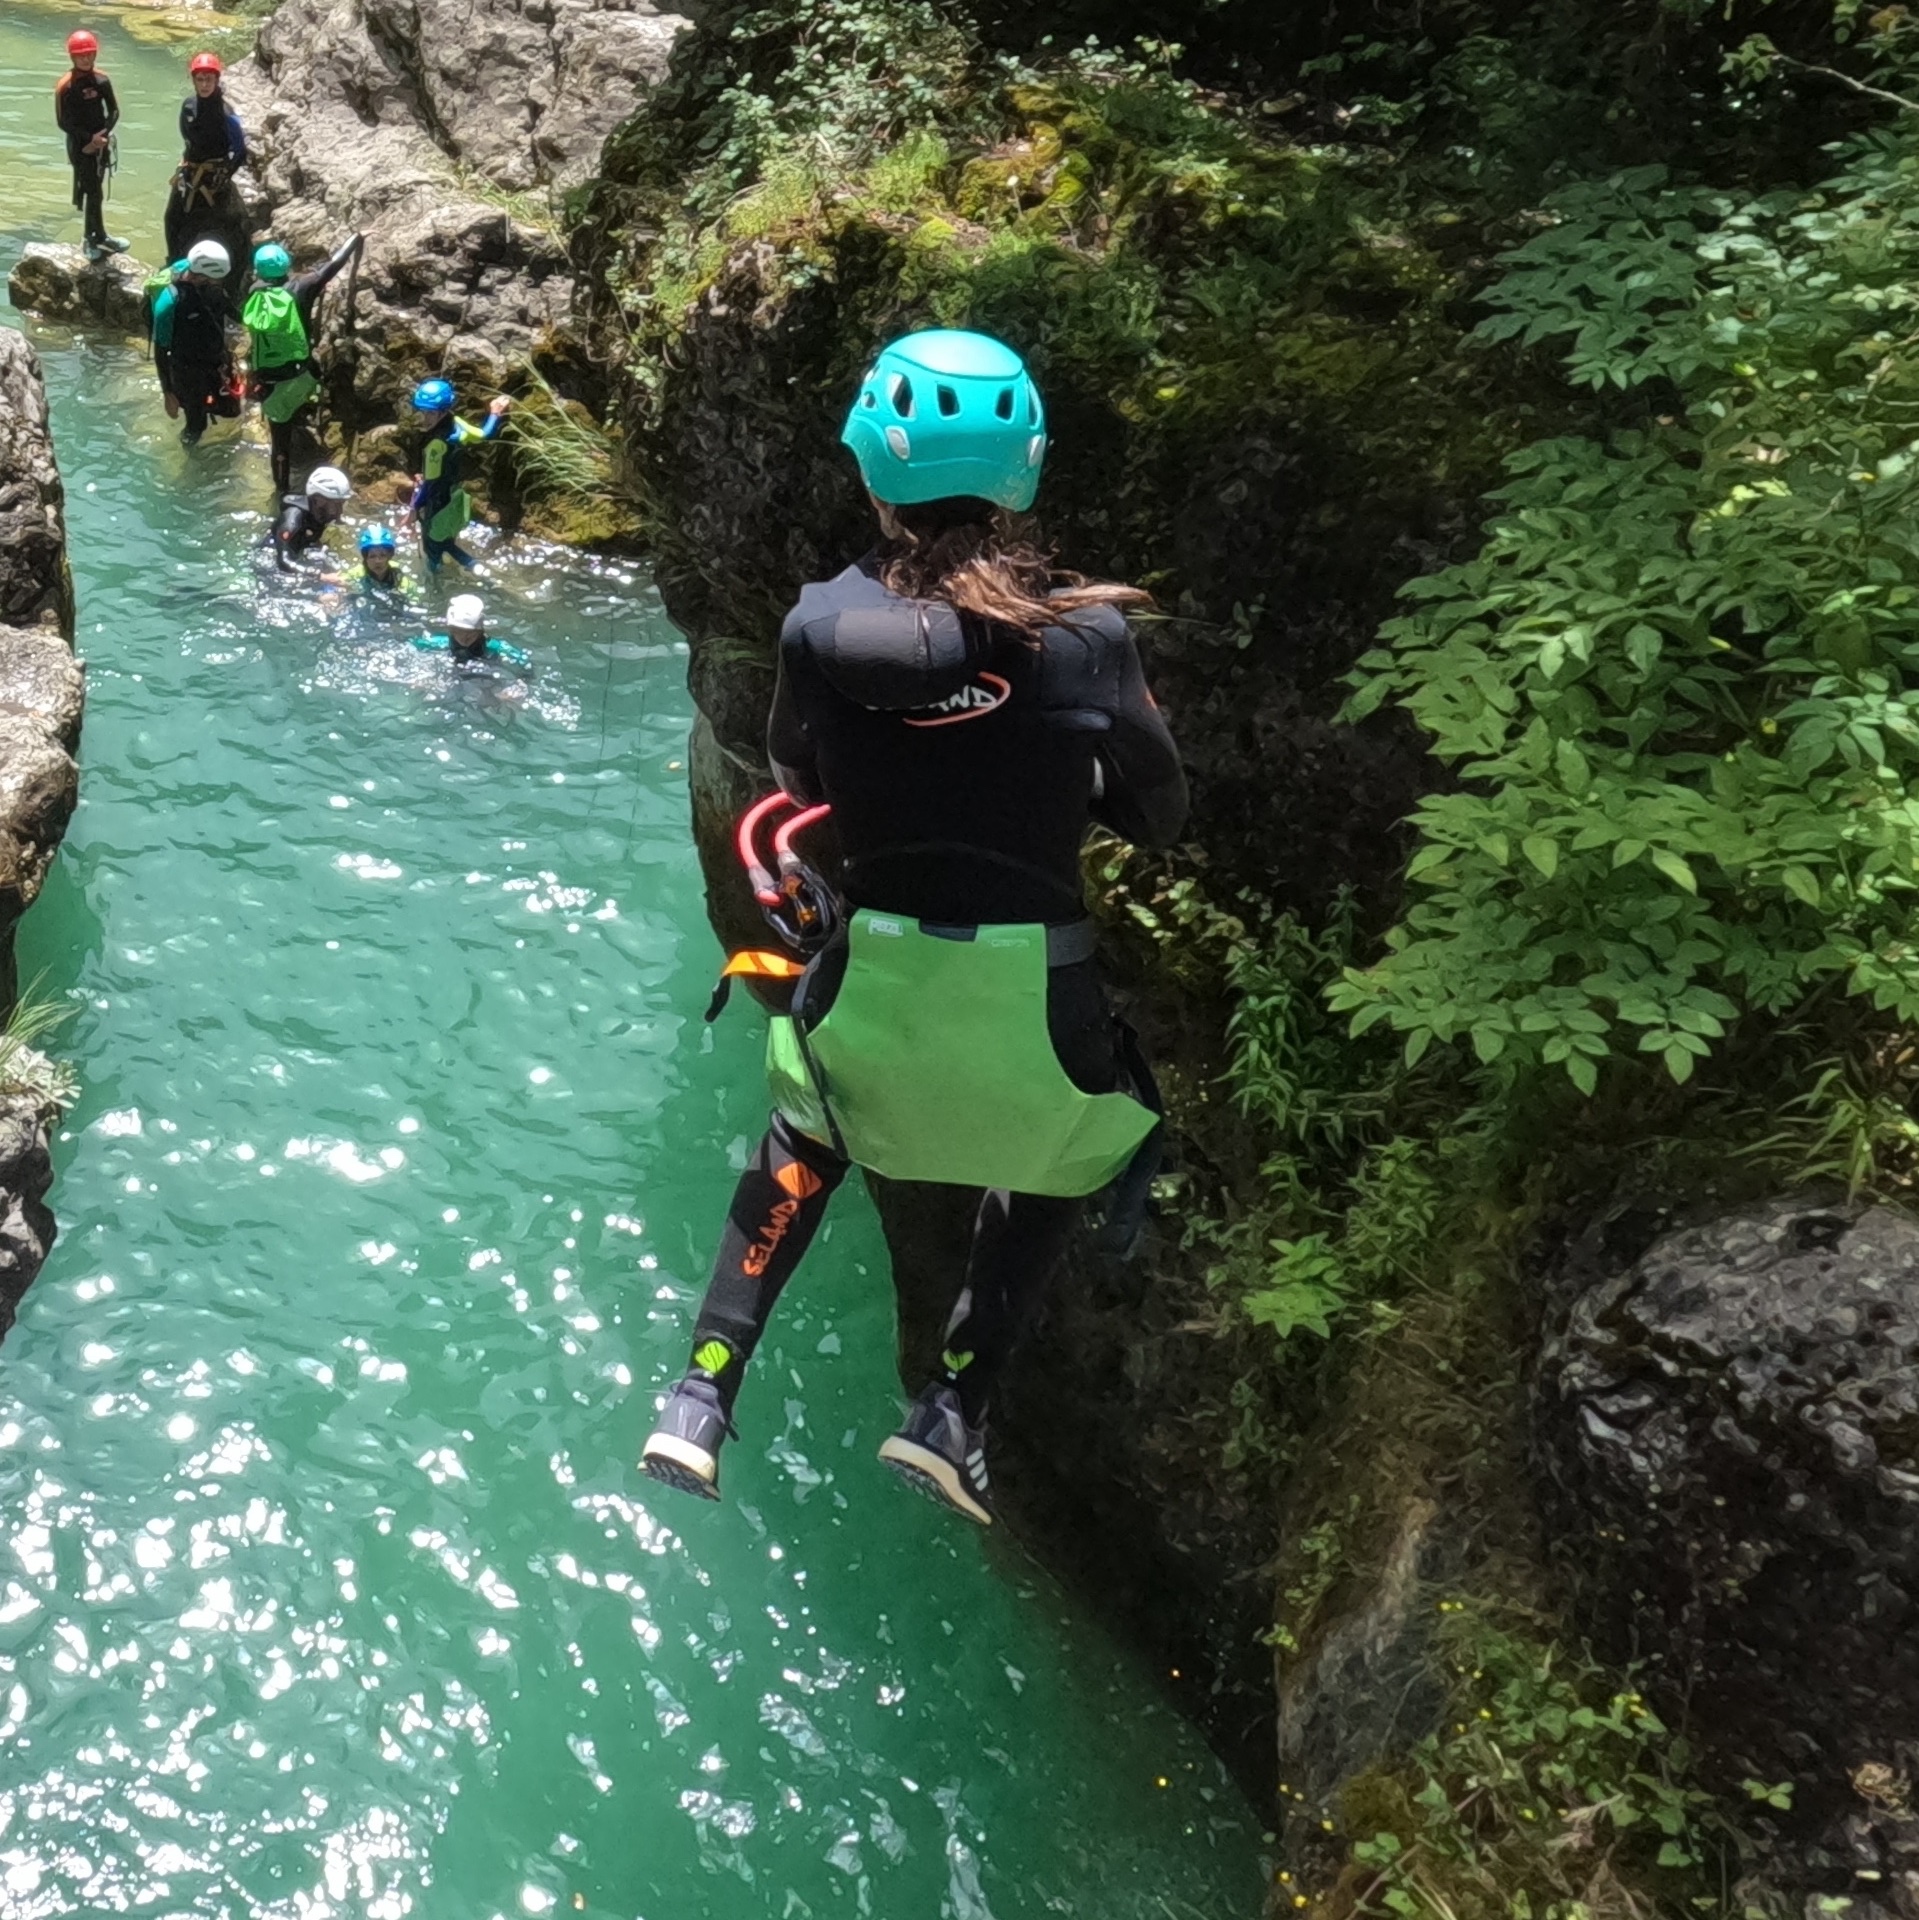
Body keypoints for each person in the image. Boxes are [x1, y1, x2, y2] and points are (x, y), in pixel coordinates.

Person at [641, 329, 1188, 1525]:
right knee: (1060, 1153)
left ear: (874, 475)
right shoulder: (1088, 638)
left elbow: (794, 760)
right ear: (1025, 471)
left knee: (803, 1131)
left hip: (874, 996)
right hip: (1038, 1015)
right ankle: (952, 1410)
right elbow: (1160, 811)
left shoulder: (818, 627)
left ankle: (699, 1393)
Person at [245, 234, 365, 496]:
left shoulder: (254, 292)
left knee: (280, 442)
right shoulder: (302, 286)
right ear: (286, 265)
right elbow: (333, 264)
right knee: (311, 383)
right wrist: (356, 237)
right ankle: (307, 424)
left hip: (270, 385)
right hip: (303, 376)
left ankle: (281, 491)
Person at [405, 379, 511, 572]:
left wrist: (413, 509)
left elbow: (430, 484)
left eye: (431, 413)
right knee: (446, 537)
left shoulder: (435, 446)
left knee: (432, 547)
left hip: (437, 503)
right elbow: (483, 434)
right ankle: (472, 566)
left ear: (443, 411)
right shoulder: (456, 423)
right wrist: (494, 413)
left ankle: (462, 569)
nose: (425, 418)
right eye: (423, 412)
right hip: (457, 497)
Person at [164, 52, 249, 269]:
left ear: (217, 80)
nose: (204, 85)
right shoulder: (188, 107)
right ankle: (173, 263)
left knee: (236, 224)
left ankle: (236, 270)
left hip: (215, 175)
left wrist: (226, 174)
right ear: (193, 80)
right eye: (200, 79)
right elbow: (187, 138)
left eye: (209, 79)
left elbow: (240, 151)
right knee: (172, 219)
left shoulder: (226, 113)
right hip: (191, 171)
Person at [150, 239, 236, 445]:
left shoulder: (204, 283)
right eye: (217, 280)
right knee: (196, 425)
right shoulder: (169, 302)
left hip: (215, 358)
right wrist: (168, 393)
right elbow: (160, 349)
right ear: (200, 277)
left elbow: (230, 311)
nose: (220, 284)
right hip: (187, 371)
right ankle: (190, 464)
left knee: (231, 410)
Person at [54, 31, 126, 261]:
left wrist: (102, 136)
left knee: (97, 191)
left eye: (89, 54)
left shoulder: (102, 80)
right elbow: (63, 121)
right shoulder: (66, 86)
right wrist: (88, 140)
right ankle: (90, 238)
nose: (85, 59)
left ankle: (100, 235)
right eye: (80, 56)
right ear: (72, 57)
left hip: (100, 143)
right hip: (80, 146)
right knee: (91, 190)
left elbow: (114, 111)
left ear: (95, 53)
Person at [271, 465, 351, 572]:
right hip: (271, 564)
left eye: (341, 504)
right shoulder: (292, 520)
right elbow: (282, 560)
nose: (339, 511)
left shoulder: (319, 514)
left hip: (300, 554)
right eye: (336, 504)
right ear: (319, 500)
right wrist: (320, 576)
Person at [412, 595, 529, 667]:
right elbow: (413, 645)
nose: (464, 637)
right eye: (458, 631)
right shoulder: (439, 643)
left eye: (470, 633)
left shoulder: (494, 647)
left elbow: (524, 662)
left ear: (480, 632)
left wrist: (519, 685)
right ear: (450, 630)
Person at [349, 525, 411, 597]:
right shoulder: (357, 572)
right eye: (372, 556)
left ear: (389, 557)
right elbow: (337, 582)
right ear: (366, 558)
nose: (378, 561)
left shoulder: (398, 574)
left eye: (382, 555)